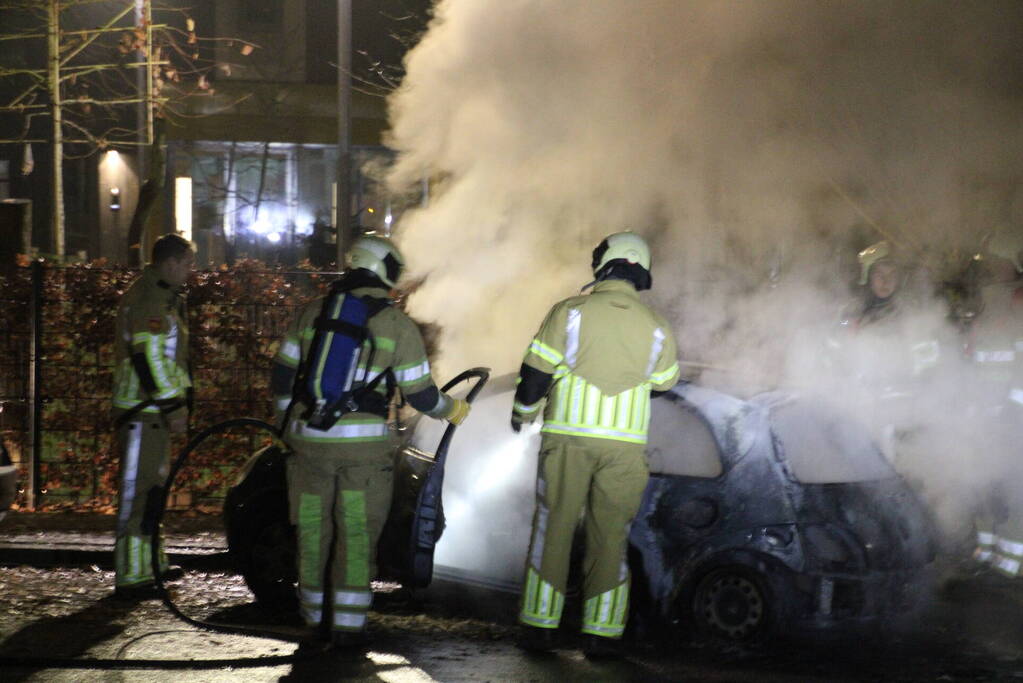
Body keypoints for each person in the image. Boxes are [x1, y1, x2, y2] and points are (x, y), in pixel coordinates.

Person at [271, 235, 470, 649]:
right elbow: (419, 395)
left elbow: (282, 376)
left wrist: (289, 427)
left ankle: (312, 620)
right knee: (356, 535)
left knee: (311, 532)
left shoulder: (311, 314)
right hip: (365, 457)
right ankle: (347, 627)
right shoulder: (396, 325)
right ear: (384, 270)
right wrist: (452, 410)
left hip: (309, 447)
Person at [510, 231, 680, 658]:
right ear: (641, 271)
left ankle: (539, 627)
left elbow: (535, 375)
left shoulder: (569, 312)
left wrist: (522, 412)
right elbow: (662, 385)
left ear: (603, 265)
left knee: (555, 530)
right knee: (611, 538)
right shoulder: (658, 328)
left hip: (568, 441)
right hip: (624, 450)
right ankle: (602, 634)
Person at [111, 233, 195, 599]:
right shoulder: (151, 299)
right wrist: (173, 405)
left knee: (153, 492)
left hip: (150, 412)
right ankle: (131, 576)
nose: (192, 271)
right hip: (142, 412)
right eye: (189, 263)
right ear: (171, 263)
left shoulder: (161, 296)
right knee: (139, 494)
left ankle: (151, 565)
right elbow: (149, 358)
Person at [968, 228, 1023, 580]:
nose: (990, 268)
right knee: (980, 479)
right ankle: (985, 549)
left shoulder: (1018, 305)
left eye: (996, 263)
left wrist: (1011, 409)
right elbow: (974, 365)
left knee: (1012, 485)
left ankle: (1012, 556)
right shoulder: (986, 307)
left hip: (1012, 417)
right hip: (984, 415)